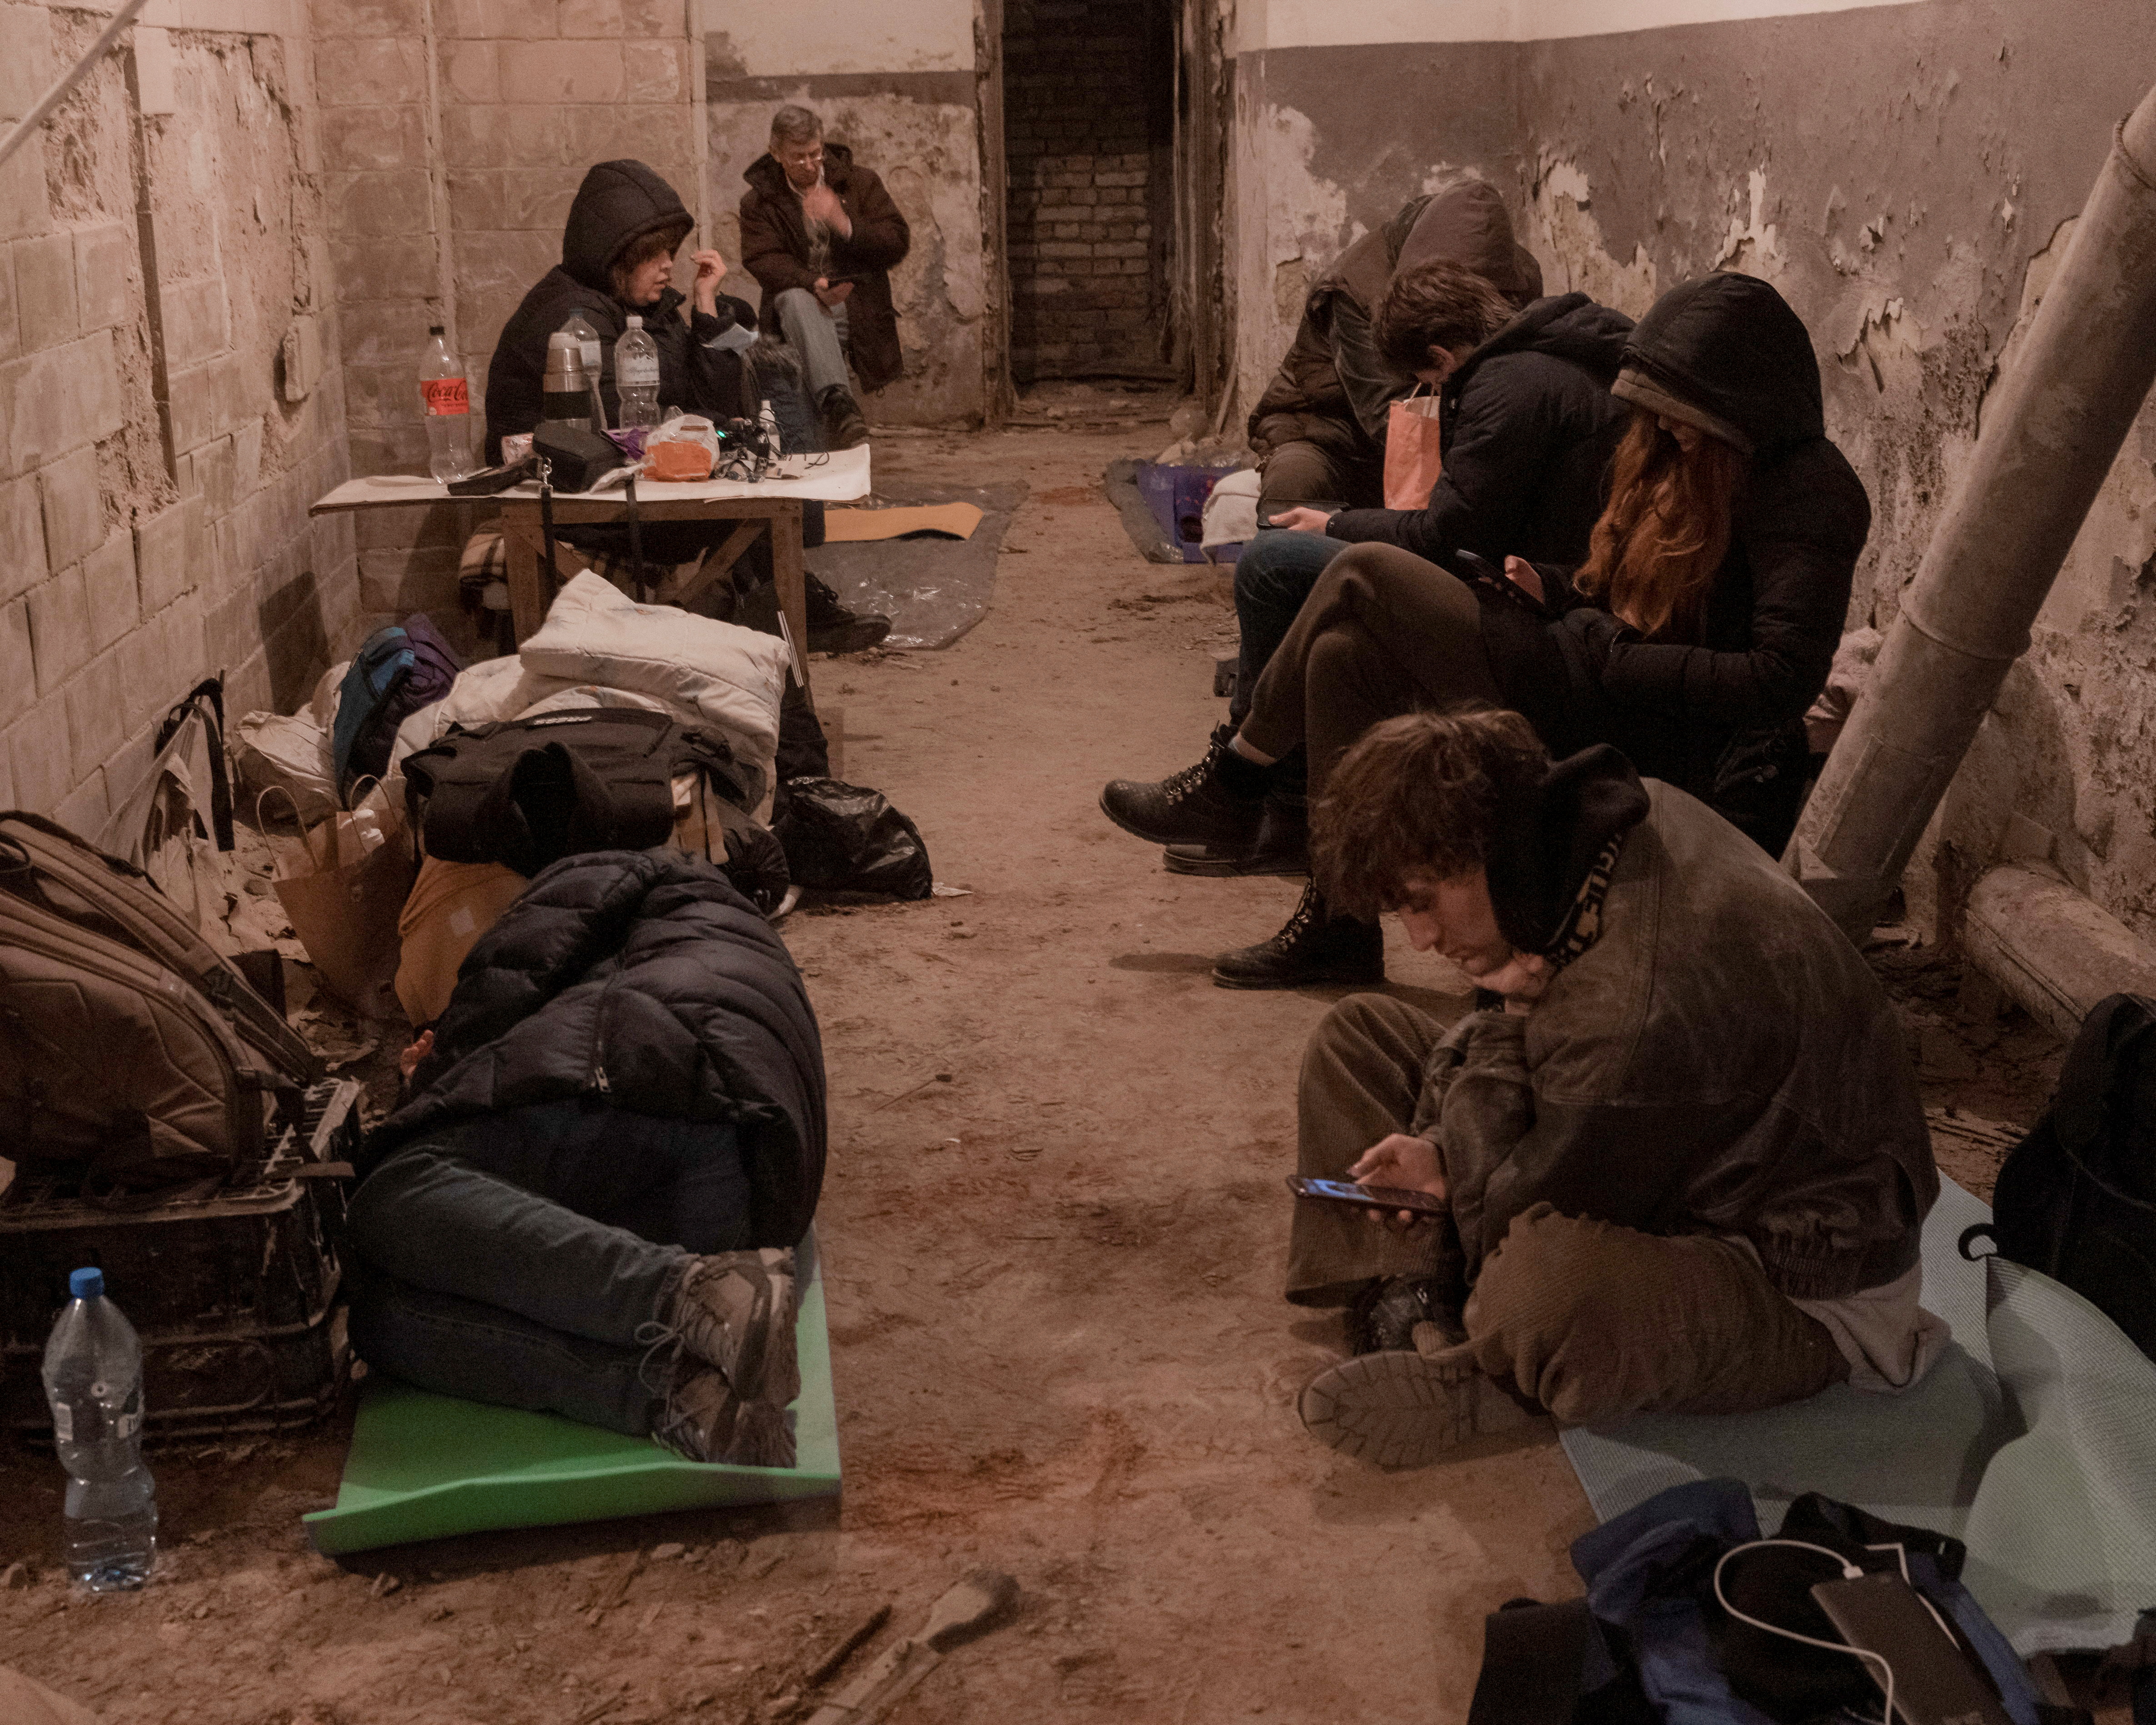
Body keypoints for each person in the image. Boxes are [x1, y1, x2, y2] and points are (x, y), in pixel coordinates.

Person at [1100, 271, 1867, 989]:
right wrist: (1553, 586)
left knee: (1358, 569)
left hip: (1626, 709)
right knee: (1340, 655)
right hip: (1581, 660)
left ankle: (1236, 776)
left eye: (1679, 408)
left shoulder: (1808, 493)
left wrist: (1611, 651)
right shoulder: (1682, 458)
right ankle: (1339, 918)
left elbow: (1776, 679)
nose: (1663, 425)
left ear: (1738, 400)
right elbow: (1617, 584)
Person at [1282, 709, 1941, 1469]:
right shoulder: (1623, 811)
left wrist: (1504, 1014)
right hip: (1663, 1152)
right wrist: (1443, 1145)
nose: (1419, 938)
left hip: (1801, 1283)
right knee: (1357, 1035)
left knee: (1537, 1283)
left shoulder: (1634, 1015)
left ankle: (1447, 1329)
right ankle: (1415, 1301)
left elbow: (1511, 1220)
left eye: (1422, 898)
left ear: (1488, 852)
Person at [1150, 256, 1633, 881]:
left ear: (1438, 354)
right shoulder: (1543, 363)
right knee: (1336, 648)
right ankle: (1300, 845)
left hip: (1540, 613)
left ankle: (1241, 778)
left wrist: (1334, 522)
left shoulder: (1506, 384)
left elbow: (1446, 533)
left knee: (1278, 559)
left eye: (1425, 383)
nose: (1430, 396)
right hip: (1532, 583)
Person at [345, 847, 827, 1468]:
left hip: (680, 1103)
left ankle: (692, 1294)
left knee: (390, 1198)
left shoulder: (605, 872)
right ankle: (684, 1392)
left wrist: (428, 1075)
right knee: (381, 1319)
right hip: (746, 1177)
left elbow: (504, 985)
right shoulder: (706, 919)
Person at [485, 157, 890, 654]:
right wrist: (710, 434)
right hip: (577, 501)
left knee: (757, 480)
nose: (667, 266)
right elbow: (627, 433)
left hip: (617, 489)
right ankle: (789, 619)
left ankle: (785, 618)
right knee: (750, 505)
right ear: (614, 254)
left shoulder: (636, 311)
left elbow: (695, 406)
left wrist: (705, 309)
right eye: (652, 254)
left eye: (669, 252)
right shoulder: (573, 320)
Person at [1247, 179, 1545, 519]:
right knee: (1294, 486)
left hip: (1455, 417)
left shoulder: (1513, 275)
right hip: (1334, 429)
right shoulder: (1358, 287)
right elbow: (1384, 416)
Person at [739, 105, 911, 452]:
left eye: (815, 154)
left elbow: (896, 243)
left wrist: (843, 223)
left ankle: (834, 417)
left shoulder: (860, 183)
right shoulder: (760, 201)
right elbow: (762, 259)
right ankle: (839, 405)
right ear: (776, 154)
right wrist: (812, 282)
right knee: (795, 300)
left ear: (823, 145)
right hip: (799, 309)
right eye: (797, 157)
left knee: (804, 315)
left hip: (856, 305)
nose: (808, 165)